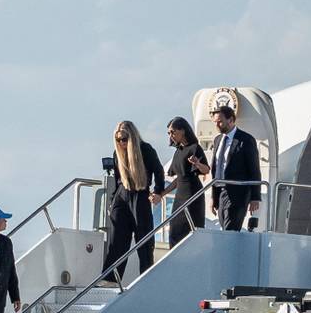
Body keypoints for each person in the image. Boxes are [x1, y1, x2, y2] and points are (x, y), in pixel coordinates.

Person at [102, 120, 165, 283]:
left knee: (144, 239)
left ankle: (146, 278)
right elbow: (117, 179)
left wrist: (158, 192)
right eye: (118, 140)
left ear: (132, 137)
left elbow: (159, 171)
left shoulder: (146, 150)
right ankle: (110, 279)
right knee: (117, 240)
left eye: (124, 139)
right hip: (121, 195)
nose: (121, 143)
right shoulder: (118, 154)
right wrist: (112, 201)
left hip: (140, 194)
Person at [158, 117, 210, 247]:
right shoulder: (178, 152)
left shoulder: (195, 148)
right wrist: (162, 194)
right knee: (175, 230)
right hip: (179, 196)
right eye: (169, 133)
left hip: (192, 194)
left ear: (183, 130)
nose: (171, 136)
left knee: (190, 230)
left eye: (173, 132)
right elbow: (178, 179)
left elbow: (206, 169)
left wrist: (197, 164)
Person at [209, 105, 262, 231]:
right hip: (221, 191)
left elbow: (254, 169)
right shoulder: (217, 140)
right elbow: (216, 169)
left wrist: (255, 197)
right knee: (224, 227)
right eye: (215, 122)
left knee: (230, 229)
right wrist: (213, 197)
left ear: (231, 120)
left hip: (238, 192)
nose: (217, 125)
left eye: (220, 121)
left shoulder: (245, 140)